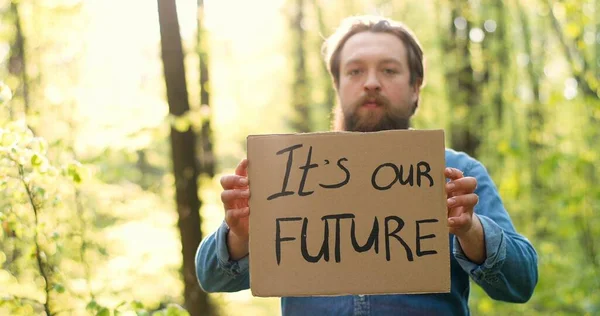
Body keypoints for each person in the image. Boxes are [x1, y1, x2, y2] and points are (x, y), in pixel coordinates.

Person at [195, 15, 538, 316]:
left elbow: (521, 283)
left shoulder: (459, 173)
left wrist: (471, 229)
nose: (371, 82)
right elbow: (211, 277)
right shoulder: (289, 170)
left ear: (416, 87)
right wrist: (240, 236)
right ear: (338, 86)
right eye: (355, 70)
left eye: (389, 70)